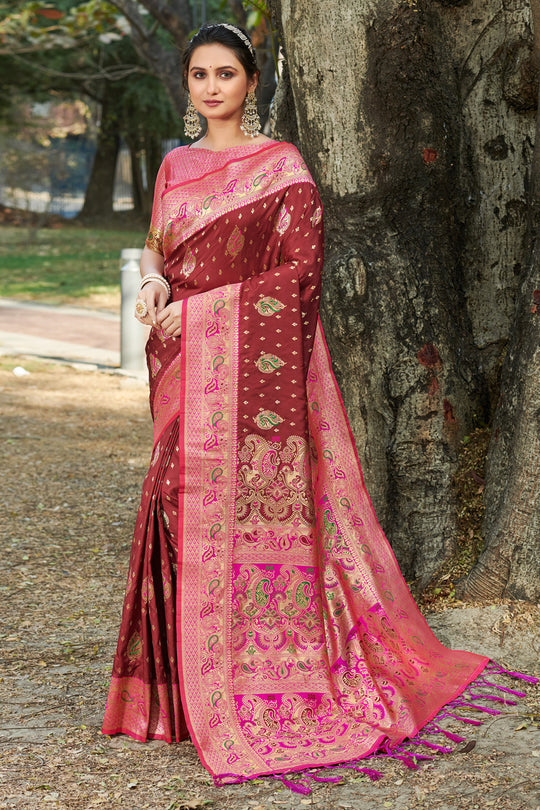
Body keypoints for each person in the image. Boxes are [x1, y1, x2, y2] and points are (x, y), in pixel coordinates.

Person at [102, 22, 514, 787]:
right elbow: (158, 245)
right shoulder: (175, 166)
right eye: (199, 75)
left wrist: (197, 311)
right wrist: (156, 282)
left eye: (226, 73)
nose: (212, 87)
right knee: (171, 499)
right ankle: (175, 696)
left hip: (242, 367)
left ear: (252, 82)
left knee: (229, 510)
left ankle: (243, 682)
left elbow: (299, 278)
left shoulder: (281, 167)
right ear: (188, 85)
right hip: (183, 363)